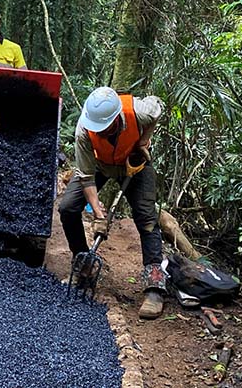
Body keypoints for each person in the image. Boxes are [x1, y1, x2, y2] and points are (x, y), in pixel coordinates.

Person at [58, 86, 166, 319]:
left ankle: (154, 286)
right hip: (99, 165)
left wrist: (144, 140)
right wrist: (98, 212)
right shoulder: (84, 131)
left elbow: (158, 107)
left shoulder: (138, 111)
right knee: (67, 208)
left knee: (147, 218)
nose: (101, 131)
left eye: (105, 128)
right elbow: (86, 176)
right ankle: (83, 265)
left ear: (116, 118)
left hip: (135, 161)